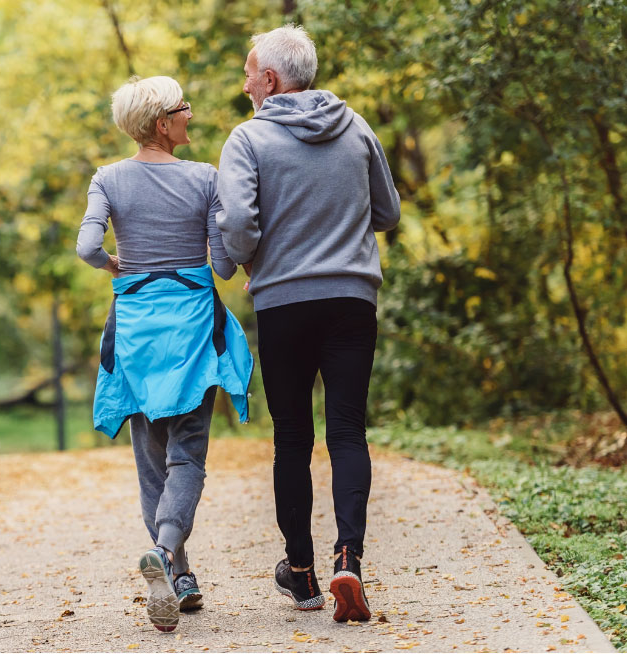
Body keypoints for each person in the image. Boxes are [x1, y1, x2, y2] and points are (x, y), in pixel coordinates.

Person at [216, 25, 401, 623]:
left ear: (270, 79)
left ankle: (301, 574)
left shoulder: (247, 139)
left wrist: (256, 260)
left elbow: (239, 225)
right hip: (352, 299)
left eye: (248, 72)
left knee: (293, 437)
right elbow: (388, 211)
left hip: (284, 304)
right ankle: (350, 557)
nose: (244, 83)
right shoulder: (357, 126)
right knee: (347, 431)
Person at [76, 76, 254, 633]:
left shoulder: (107, 179)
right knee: (189, 452)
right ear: (162, 124)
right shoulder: (204, 178)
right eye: (182, 108)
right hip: (192, 329)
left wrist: (114, 265)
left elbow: (86, 247)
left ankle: (177, 572)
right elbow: (224, 266)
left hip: (134, 332)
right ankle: (169, 547)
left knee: (151, 455)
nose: (190, 114)